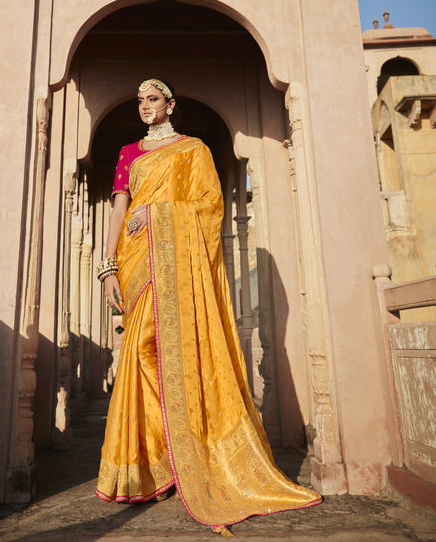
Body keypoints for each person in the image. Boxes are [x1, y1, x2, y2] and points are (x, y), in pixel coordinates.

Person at [95, 78, 321, 537]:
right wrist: (109, 268)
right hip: (139, 262)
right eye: (139, 101)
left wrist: (157, 214)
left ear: (171, 105)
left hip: (176, 262)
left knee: (179, 353)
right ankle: (157, 462)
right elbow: (119, 211)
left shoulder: (193, 149)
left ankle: (194, 454)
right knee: (138, 352)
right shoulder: (128, 154)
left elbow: (210, 205)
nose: (144, 107)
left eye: (153, 99)